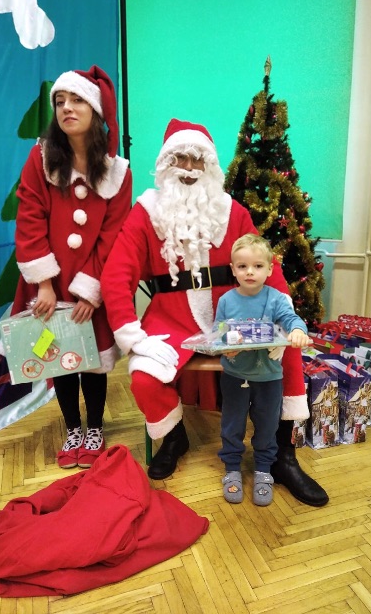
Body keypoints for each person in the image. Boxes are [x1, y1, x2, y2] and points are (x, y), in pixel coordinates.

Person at [101, 118, 328, 507]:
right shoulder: (146, 213)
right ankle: (174, 437)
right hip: (170, 318)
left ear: (210, 166)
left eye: (198, 160)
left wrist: (285, 317)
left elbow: (265, 263)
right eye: (180, 159)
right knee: (143, 378)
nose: (189, 169)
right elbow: (116, 276)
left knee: (288, 353)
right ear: (165, 164)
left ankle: (283, 456)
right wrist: (132, 335)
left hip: (237, 317)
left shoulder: (231, 211)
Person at [11, 65, 132, 469]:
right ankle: (73, 428)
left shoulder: (117, 172)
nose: (66, 107)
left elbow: (113, 235)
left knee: (93, 359)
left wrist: (91, 291)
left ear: (95, 110)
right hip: (50, 281)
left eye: (77, 99)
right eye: (60, 101)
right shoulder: (41, 158)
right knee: (58, 355)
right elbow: (29, 216)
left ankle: (94, 427)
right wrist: (44, 283)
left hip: (92, 281)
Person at [215, 234, 311, 506]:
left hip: (269, 379)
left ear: (269, 269)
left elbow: (292, 319)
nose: (250, 272)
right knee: (232, 424)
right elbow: (218, 332)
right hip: (234, 376)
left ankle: (264, 470)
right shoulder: (226, 301)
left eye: (257, 266)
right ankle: (232, 468)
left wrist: (297, 330)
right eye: (242, 266)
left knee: (268, 426)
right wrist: (225, 345)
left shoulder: (276, 299)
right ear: (233, 269)